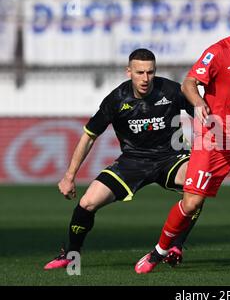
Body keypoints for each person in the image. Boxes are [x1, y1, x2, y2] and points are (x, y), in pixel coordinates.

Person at [134, 0, 230, 274]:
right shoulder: (218, 52)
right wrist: (198, 102)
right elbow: (189, 83)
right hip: (213, 139)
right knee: (192, 202)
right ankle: (159, 251)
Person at [44, 48, 201, 270]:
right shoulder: (117, 99)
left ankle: (175, 246)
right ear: (129, 72)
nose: (145, 78)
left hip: (171, 157)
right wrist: (69, 176)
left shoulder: (172, 91)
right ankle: (71, 255)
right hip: (132, 162)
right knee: (87, 202)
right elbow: (89, 137)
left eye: (150, 72)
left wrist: (205, 143)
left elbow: (205, 116)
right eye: (139, 72)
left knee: (197, 185)